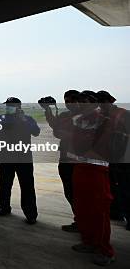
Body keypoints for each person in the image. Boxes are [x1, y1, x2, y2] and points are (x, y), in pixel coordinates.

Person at [66, 91, 116, 266]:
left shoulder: (103, 120)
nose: (79, 105)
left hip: (97, 169)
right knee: (83, 206)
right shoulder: (79, 120)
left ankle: (105, 249)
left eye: (84, 102)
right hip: (80, 167)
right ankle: (89, 241)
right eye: (78, 102)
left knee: (99, 210)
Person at [0, 97, 40, 224]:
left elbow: (36, 132)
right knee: (5, 184)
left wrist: (23, 120)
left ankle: (31, 214)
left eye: (11, 105)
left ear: (18, 107)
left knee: (27, 186)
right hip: (5, 157)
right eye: (7, 105)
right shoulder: (0, 119)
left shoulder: (27, 119)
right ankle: (4, 207)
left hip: (24, 158)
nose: (8, 108)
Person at [43, 89, 81, 232]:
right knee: (69, 190)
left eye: (72, 100)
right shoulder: (65, 115)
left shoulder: (85, 116)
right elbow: (55, 126)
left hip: (78, 159)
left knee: (79, 192)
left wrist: (66, 133)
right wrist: (48, 110)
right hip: (65, 157)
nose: (69, 103)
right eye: (66, 101)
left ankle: (83, 221)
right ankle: (78, 219)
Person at [97, 90, 130, 231]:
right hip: (109, 158)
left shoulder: (123, 114)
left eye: (102, 102)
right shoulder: (102, 116)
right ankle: (117, 213)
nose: (101, 106)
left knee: (125, 188)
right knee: (112, 187)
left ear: (109, 101)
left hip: (123, 158)